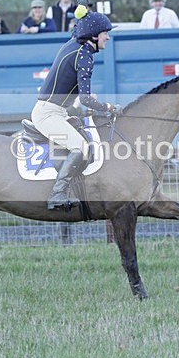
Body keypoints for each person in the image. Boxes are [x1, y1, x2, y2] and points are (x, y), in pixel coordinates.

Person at [32, 11, 122, 210]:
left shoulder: (73, 44)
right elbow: (85, 99)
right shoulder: (85, 56)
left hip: (58, 111)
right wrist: (109, 107)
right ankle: (57, 194)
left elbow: (77, 30)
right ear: (94, 35)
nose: (108, 37)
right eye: (105, 33)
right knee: (81, 147)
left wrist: (84, 11)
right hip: (48, 114)